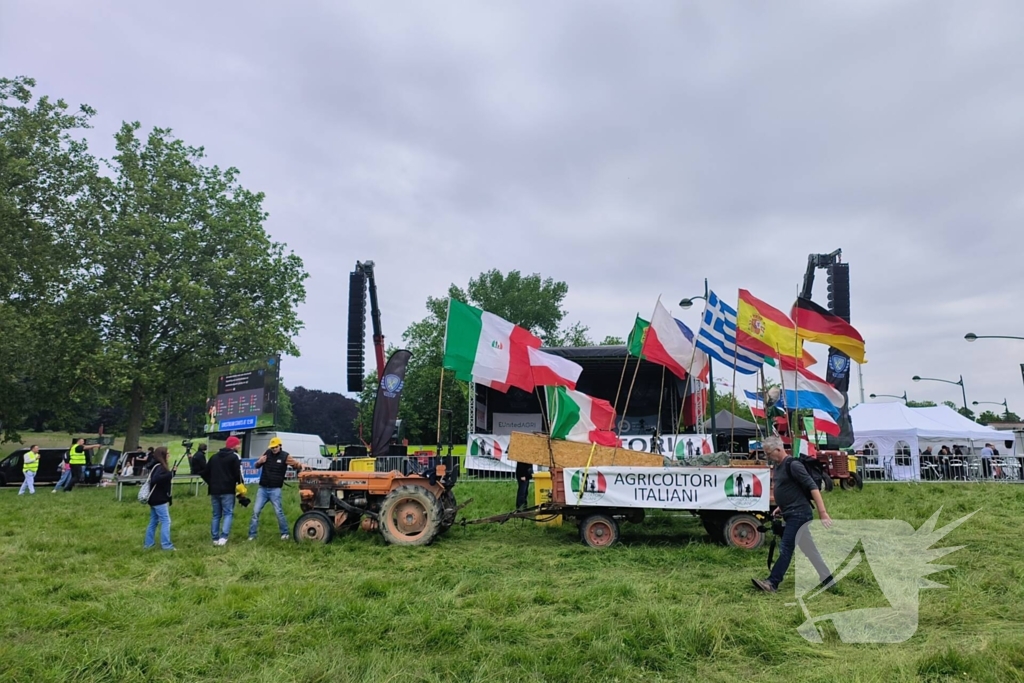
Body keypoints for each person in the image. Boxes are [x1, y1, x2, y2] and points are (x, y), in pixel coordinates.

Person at [752, 436, 834, 594]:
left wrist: (823, 513)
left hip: (799, 514)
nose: (768, 456)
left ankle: (772, 583)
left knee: (786, 547)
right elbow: (789, 490)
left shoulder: (794, 465)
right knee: (809, 549)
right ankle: (828, 579)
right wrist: (781, 508)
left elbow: (812, 487)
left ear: (778, 449)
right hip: (790, 512)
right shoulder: (778, 466)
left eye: (769, 453)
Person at [248, 437, 306, 541]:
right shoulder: (266, 453)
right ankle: (252, 535)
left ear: (280, 446)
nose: (273, 449)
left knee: (278, 512)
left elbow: (295, 464)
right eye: (272, 447)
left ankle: (285, 533)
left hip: (275, 489)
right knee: (255, 512)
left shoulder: (285, 456)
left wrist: (301, 465)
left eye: (275, 447)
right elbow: (256, 466)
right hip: (263, 489)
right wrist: (260, 461)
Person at [202, 436, 243, 546]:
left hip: (214, 490)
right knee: (228, 513)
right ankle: (224, 537)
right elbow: (237, 475)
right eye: (238, 444)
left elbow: (205, 472)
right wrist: (240, 487)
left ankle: (215, 538)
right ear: (233, 446)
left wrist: (211, 482)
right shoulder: (234, 458)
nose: (239, 446)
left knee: (216, 515)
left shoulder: (214, 457)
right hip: (228, 490)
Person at [143, 447, 176, 551]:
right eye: (167, 454)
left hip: (154, 498)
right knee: (166, 521)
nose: (169, 456)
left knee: (153, 521)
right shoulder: (160, 467)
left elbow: (163, 478)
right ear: (163, 455)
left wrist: (172, 473)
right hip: (159, 499)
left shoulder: (156, 466)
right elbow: (156, 479)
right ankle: (166, 545)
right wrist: (169, 474)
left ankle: (148, 544)